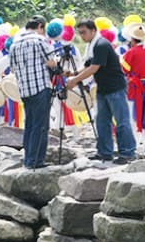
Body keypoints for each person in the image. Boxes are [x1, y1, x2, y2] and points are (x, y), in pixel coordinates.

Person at [69, 20, 137, 163]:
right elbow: (87, 65)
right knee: (102, 121)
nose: (82, 36)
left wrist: (75, 80)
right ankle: (105, 152)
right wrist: (72, 74)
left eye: (84, 32)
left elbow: (94, 68)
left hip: (115, 88)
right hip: (103, 88)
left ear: (93, 30)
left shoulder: (101, 45)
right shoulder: (92, 46)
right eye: (80, 33)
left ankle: (128, 152)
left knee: (121, 121)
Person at [11, 18, 58, 168]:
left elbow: (12, 68)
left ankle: (28, 158)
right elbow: (51, 62)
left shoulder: (14, 44)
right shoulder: (39, 40)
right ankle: (36, 161)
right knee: (41, 126)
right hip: (40, 87)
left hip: (25, 90)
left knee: (30, 125)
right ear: (40, 26)